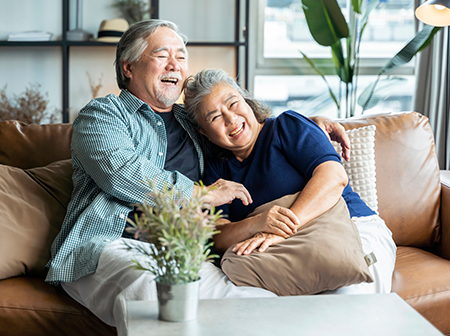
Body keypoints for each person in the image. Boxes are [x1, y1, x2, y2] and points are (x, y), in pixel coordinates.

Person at [44, 20, 352, 335]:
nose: (174, 65)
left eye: (181, 56)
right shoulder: (101, 115)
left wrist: (311, 125)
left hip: (182, 249)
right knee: (157, 295)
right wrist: (201, 194)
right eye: (162, 55)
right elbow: (121, 172)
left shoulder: (192, 123)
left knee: (252, 303)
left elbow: (243, 129)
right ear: (128, 67)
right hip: (110, 245)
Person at [183, 68, 397, 295]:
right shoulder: (216, 169)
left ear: (246, 101)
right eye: (215, 117)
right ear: (203, 132)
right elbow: (218, 237)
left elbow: (333, 177)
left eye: (233, 103)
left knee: (343, 299)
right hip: (283, 250)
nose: (230, 118)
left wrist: (281, 229)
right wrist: (259, 223)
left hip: (351, 227)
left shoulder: (286, 127)